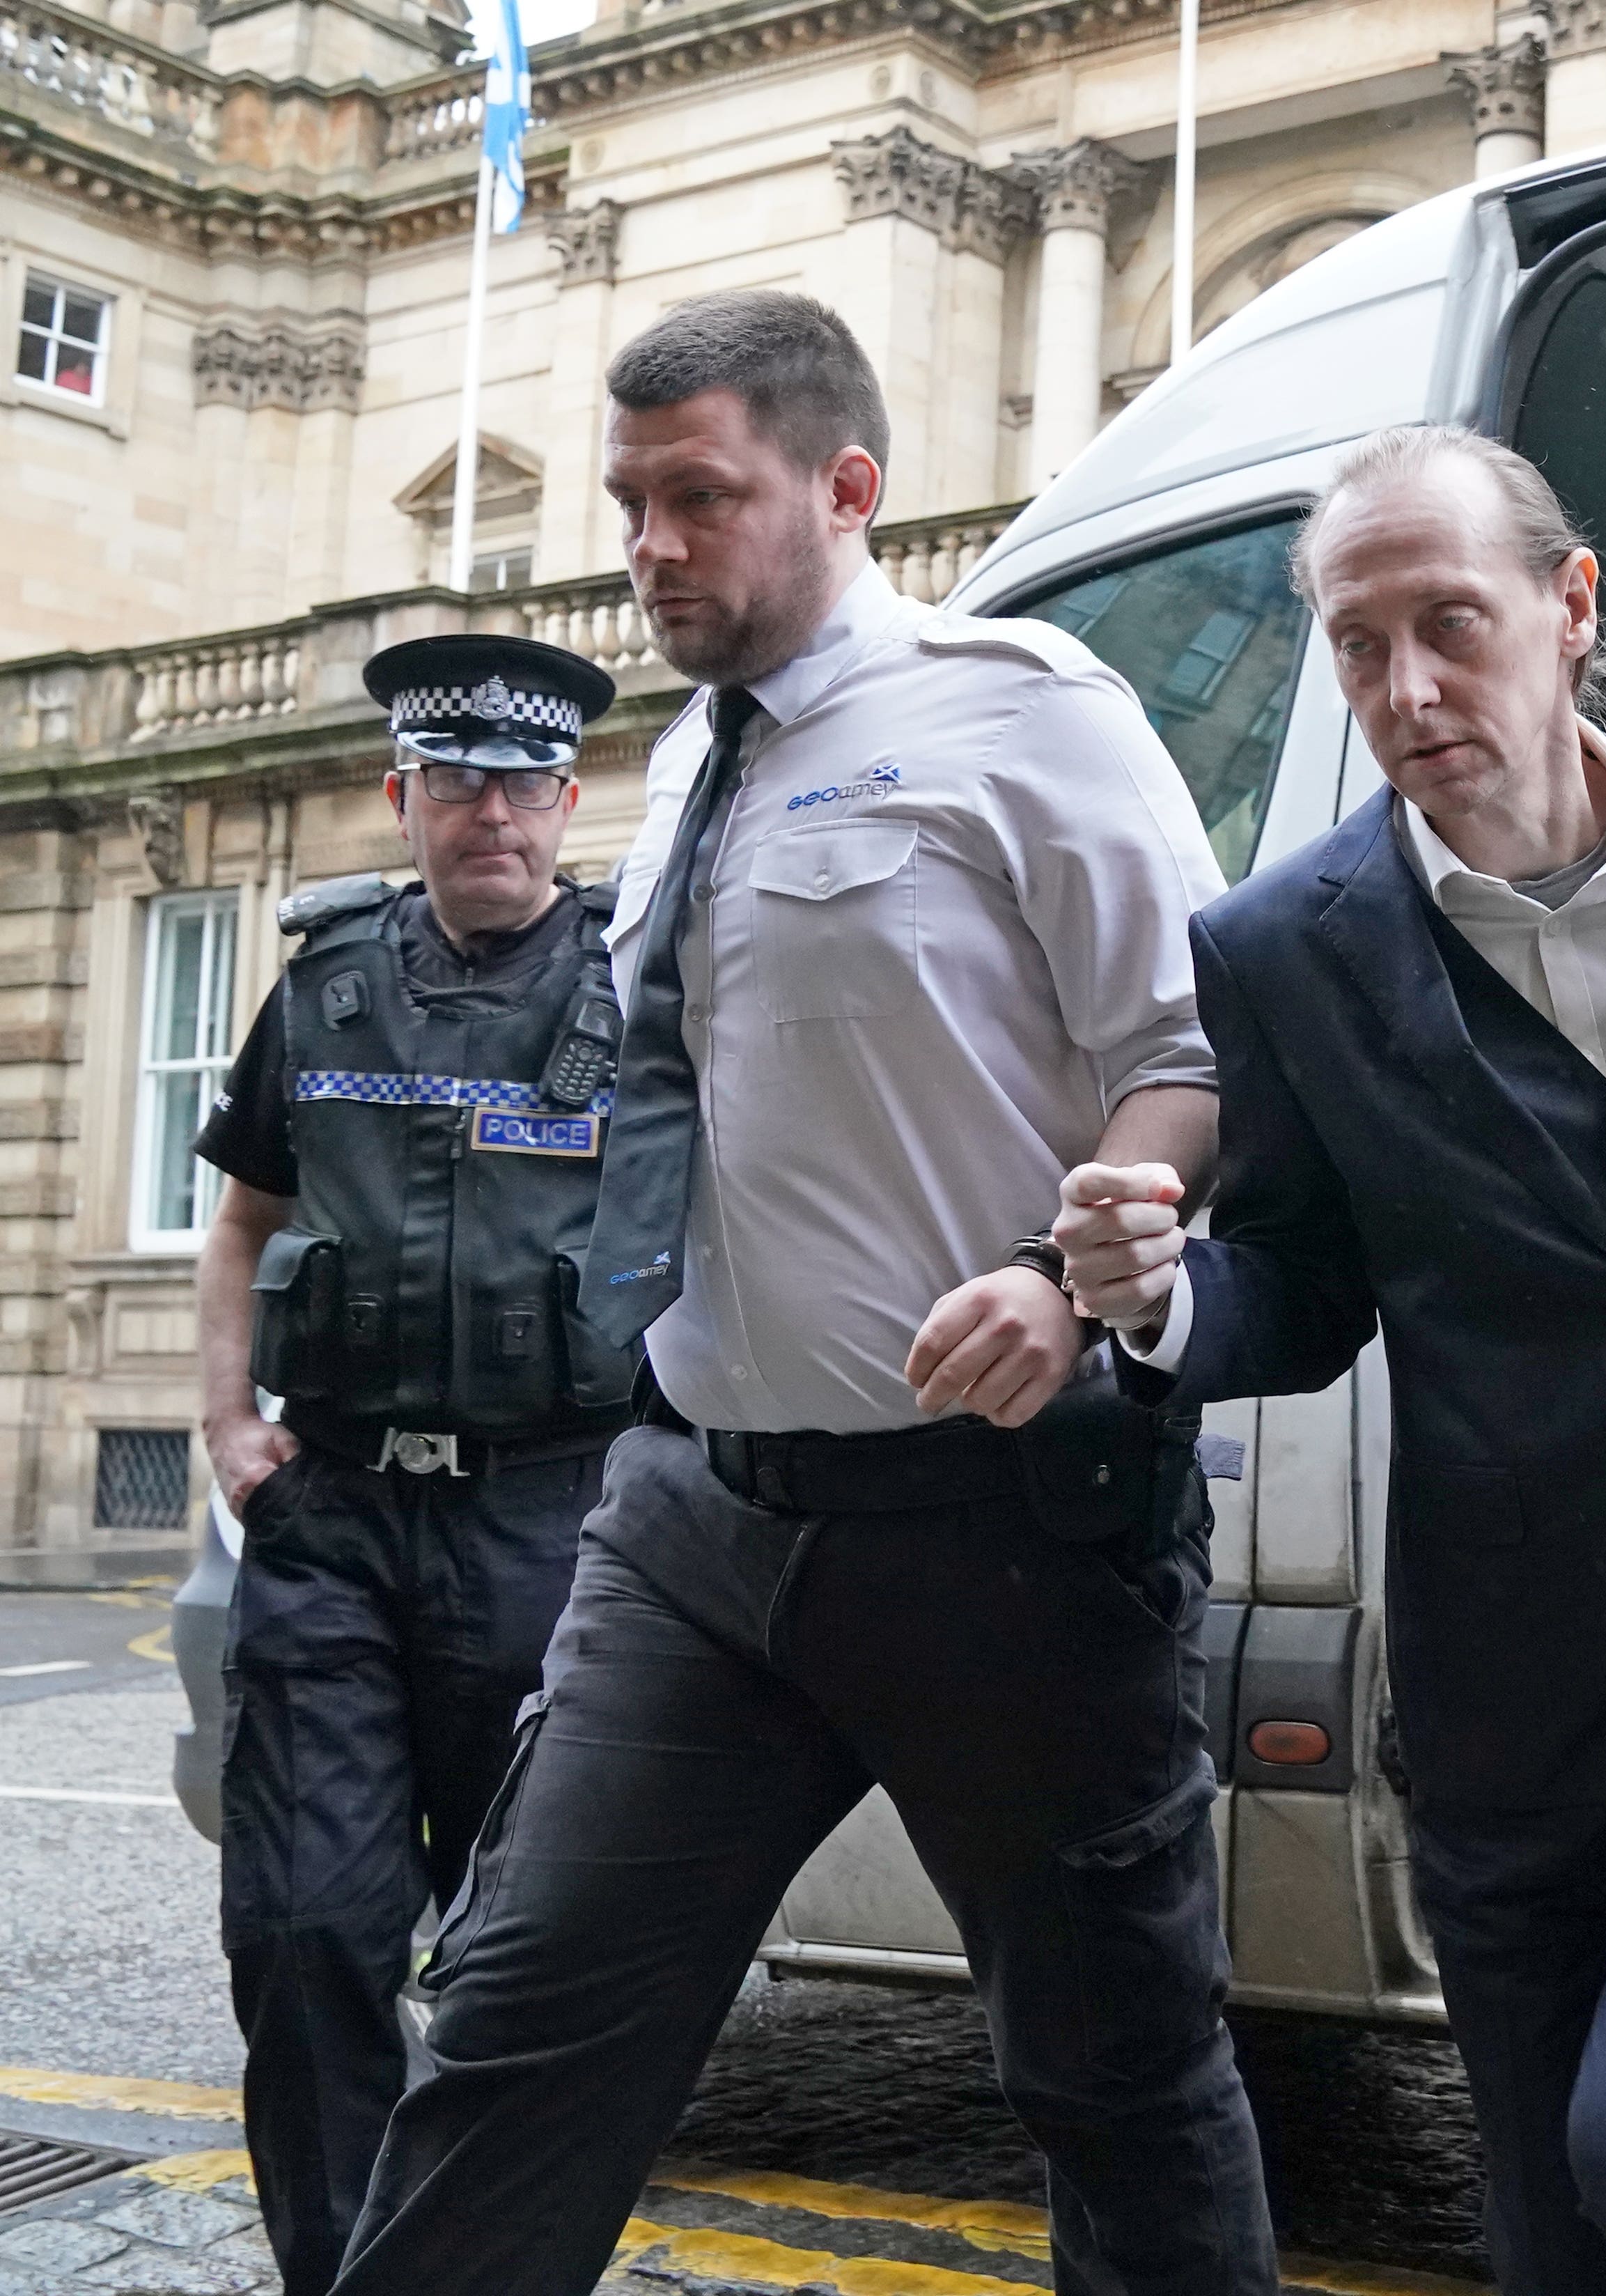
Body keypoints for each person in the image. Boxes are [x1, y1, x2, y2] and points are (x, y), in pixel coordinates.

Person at [326, 290, 1274, 2295]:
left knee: (1115, 2082)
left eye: (701, 498)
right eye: (629, 502)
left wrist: (1062, 1273)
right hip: (693, 1518)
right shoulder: (681, 765)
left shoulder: (1032, 707)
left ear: (846, 489)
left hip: (998, 1528)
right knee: (510, 2033)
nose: (651, 545)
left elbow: (1196, 1056)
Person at [1054, 425, 1606, 2296]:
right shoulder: (1282, 949)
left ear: (1570, 606)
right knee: (1554, 2241)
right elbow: (1301, 1289)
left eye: (1447, 625)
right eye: (1357, 646)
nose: (1406, 689)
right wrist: (1155, 1302)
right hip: (1510, 1692)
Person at [189, 635, 625, 2296]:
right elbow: (242, 1223)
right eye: (456, 781)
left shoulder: (639, 989)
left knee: (526, 1964)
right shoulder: (322, 978)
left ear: (569, 800)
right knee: (307, 1931)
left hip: (556, 1520)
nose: (491, 814)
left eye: (523, 784)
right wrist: (231, 1435)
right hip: (338, 1520)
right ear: (405, 795)